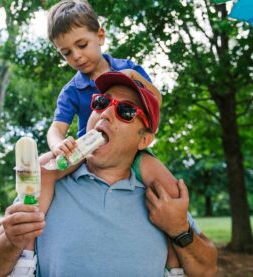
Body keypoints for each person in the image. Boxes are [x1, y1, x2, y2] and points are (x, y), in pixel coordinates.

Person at [0, 72, 217, 277]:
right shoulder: (48, 182)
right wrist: (11, 240)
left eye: (124, 110)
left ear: (144, 139)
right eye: (102, 102)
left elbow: (207, 269)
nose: (105, 114)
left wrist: (180, 230)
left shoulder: (161, 198)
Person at [41, 0, 181, 273]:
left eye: (82, 45)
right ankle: (28, 246)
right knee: (42, 170)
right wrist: (60, 146)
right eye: (66, 53)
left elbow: (156, 99)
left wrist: (133, 78)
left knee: (171, 189)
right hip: (86, 152)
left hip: (132, 151)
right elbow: (56, 128)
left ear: (100, 36)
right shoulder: (72, 89)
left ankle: (174, 265)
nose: (76, 57)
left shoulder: (126, 68)